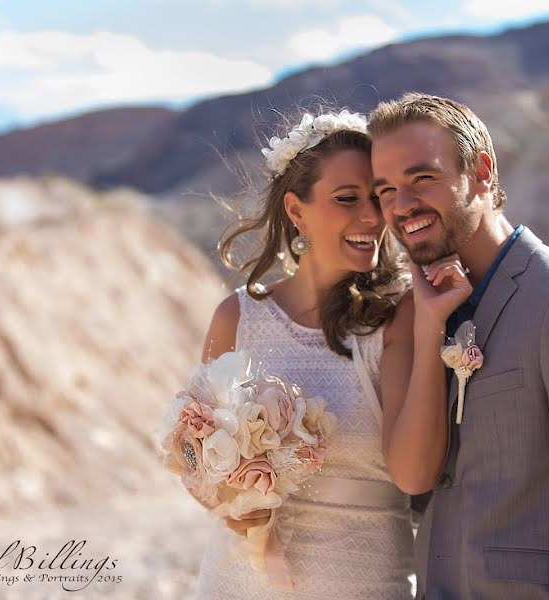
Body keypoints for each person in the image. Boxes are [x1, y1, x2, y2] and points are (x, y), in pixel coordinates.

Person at [368, 92, 549, 599]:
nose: (402, 206)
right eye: (385, 189)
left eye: (422, 178)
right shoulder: (424, 312)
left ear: (481, 172)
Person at [194, 108, 472, 599]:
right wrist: (246, 510)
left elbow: (413, 474)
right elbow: (197, 459)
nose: (372, 217)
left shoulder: (396, 318)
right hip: (239, 583)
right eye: (347, 199)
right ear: (296, 210)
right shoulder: (236, 319)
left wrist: (430, 329)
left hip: (360, 582)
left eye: (377, 197)